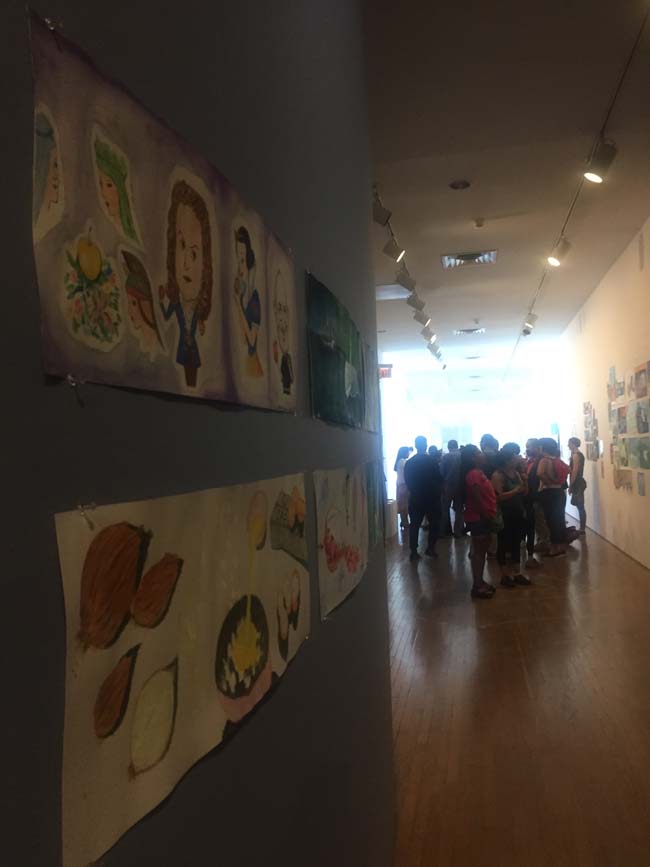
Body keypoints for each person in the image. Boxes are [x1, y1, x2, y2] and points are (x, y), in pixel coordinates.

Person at [160, 179, 213, 388]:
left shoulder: (198, 309)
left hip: (193, 351)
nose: (185, 265)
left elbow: (199, 324)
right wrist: (160, 300)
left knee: (192, 383)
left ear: (206, 263)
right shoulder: (176, 304)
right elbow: (166, 316)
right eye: (181, 245)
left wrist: (201, 325)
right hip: (183, 350)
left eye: (194, 254)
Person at [460, 445, 497, 599]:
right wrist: (485, 514)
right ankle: (477, 585)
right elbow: (477, 497)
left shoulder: (478, 472)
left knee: (481, 551)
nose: (482, 454)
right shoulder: (473, 474)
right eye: (478, 453)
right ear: (473, 457)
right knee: (479, 552)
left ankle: (480, 581)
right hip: (479, 517)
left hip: (482, 516)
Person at [492, 445, 531, 587]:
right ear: (507, 460)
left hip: (517, 512)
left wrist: (525, 481)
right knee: (503, 543)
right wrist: (515, 491)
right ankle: (504, 575)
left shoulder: (516, 473)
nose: (517, 459)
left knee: (516, 543)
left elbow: (525, 492)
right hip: (505, 514)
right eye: (514, 457)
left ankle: (516, 572)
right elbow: (498, 497)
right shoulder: (498, 475)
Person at [404, 436, 443, 561]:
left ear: (415, 446)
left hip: (416, 498)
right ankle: (430, 548)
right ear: (425, 445)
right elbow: (439, 478)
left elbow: (407, 480)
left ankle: (413, 551)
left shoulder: (410, 462)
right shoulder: (432, 461)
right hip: (432, 498)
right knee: (434, 524)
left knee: (414, 525)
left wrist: (414, 491)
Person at [537, 438, 569, 556]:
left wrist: (550, 481)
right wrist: (556, 482)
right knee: (559, 519)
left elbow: (540, 473)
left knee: (551, 521)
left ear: (543, 447)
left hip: (549, 492)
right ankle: (561, 546)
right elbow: (568, 470)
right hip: (559, 492)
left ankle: (554, 548)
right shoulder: (556, 459)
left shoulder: (544, 460)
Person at [523, 438, 542, 567]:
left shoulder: (540, 461)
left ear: (536, 447)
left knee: (536, 525)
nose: (527, 449)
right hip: (527, 499)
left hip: (535, 497)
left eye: (529, 446)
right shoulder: (528, 461)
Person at [440, 439, 463, 537]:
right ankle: (458, 531)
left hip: (448, 485)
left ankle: (445, 531)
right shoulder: (462, 456)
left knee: (445, 509)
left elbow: (441, 472)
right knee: (459, 509)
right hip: (460, 485)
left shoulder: (446, 457)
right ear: (457, 446)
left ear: (449, 447)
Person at [568, 437, 587, 534]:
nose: (568, 445)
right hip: (578, 482)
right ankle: (582, 527)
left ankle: (582, 528)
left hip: (577, 482)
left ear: (573, 444)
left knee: (580, 505)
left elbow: (575, 471)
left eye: (569, 443)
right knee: (579, 505)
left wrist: (571, 485)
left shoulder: (576, 455)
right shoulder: (576, 455)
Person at [394, 446, 411, 532]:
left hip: (400, 484)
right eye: (407, 452)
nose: (409, 453)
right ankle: (405, 523)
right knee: (405, 506)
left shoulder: (399, 461)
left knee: (402, 504)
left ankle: (404, 522)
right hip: (404, 485)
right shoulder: (403, 462)